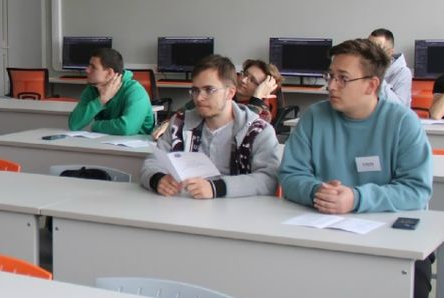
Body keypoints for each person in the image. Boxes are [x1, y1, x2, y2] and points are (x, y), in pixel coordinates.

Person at [278, 38, 433, 298]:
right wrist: (318, 191)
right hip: (322, 229)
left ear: (372, 84)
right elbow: (291, 174)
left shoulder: (402, 123)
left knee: (412, 290)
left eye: (342, 78)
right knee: (275, 275)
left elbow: (417, 190)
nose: (330, 85)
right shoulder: (315, 118)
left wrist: (357, 198)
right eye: (329, 76)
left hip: (387, 236)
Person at [141, 54, 281, 198]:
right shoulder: (179, 123)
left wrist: (216, 188)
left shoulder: (259, 131)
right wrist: (158, 179)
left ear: (230, 92)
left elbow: (268, 180)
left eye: (209, 90)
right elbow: (152, 162)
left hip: (236, 210)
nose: (199, 98)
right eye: (195, 90)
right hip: (183, 206)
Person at [67, 47, 154, 135]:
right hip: (108, 140)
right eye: (89, 65)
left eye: (93, 67)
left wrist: (95, 126)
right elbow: (74, 124)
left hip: (139, 141)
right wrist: (101, 100)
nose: (87, 70)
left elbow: (127, 128)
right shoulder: (92, 89)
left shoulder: (135, 91)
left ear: (109, 73)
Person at [368, 28, 412, 107]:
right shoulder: (362, 68)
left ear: (390, 52)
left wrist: (377, 75)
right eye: (368, 47)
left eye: (377, 48)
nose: (371, 53)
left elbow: (399, 108)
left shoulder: (403, 73)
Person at [235, 59, 282, 123]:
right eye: (245, 74)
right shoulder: (228, 93)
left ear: (263, 88)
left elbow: (244, 126)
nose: (243, 80)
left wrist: (257, 98)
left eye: (252, 80)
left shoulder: (263, 114)